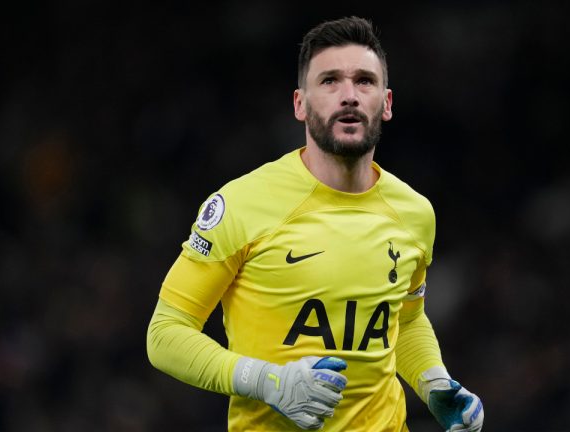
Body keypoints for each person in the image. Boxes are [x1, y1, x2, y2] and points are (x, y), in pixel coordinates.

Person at [146, 16, 484, 432]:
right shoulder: (242, 204)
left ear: (387, 102)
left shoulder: (414, 212)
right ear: (300, 104)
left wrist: (433, 380)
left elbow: (407, 320)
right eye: (329, 81)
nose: (349, 96)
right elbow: (165, 333)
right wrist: (269, 382)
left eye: (364, 81)